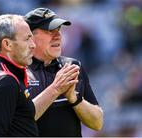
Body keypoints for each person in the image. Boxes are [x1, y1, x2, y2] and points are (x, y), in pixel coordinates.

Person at [0, 14, 80, 137]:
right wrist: (56, 88)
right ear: (7, 44)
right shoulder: (4, 81)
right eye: (27, 39)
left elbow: (22, 118)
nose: (33, 45)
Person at [25, 8, 104, 137]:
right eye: (50, 30)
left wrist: (74, 98)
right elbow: (19, 121)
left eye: (59, 29)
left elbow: (97, 123)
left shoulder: (72, 66)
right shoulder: (17, 71)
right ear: (30, 37)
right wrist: (56, 88)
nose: (58, 35)